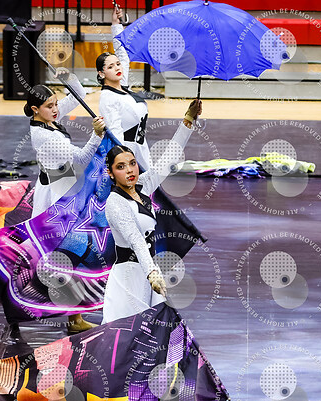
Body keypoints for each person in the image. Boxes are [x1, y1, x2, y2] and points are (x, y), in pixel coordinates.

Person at [102, 99, 202, 323]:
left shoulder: (143, 186)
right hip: (129, 278)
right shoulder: (115, 203)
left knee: (157, 335)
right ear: (110, 173)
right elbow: (136, 239)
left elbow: (167, 160)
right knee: (126, 335)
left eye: (132, 163)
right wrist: (152, 273)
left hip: (149, 273)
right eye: (121, 167)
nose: (130, 170)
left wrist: (187, 121)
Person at [24, 77, 105, 334]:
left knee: (63, 256)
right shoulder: (45, 136)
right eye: (50, 106)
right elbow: (81, 158)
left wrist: (67, 75)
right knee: (67, 257)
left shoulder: (47, 119)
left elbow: (78, 93)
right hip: (58, 199)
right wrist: (96, 135)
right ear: (35, 109)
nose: (56, 109)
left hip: (62, 189)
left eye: (56, 103)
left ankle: (72, 316)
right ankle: (72, 318)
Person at [96, 4, 152, 170]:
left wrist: (116, 24)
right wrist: (126, 162)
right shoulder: (107, 98)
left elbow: (123, 54)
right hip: (127, 155)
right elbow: (115, 135)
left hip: (142, 150)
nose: (117, 68)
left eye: (117, 64)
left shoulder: (123, 85)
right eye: (110, 67)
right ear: (101, 73)